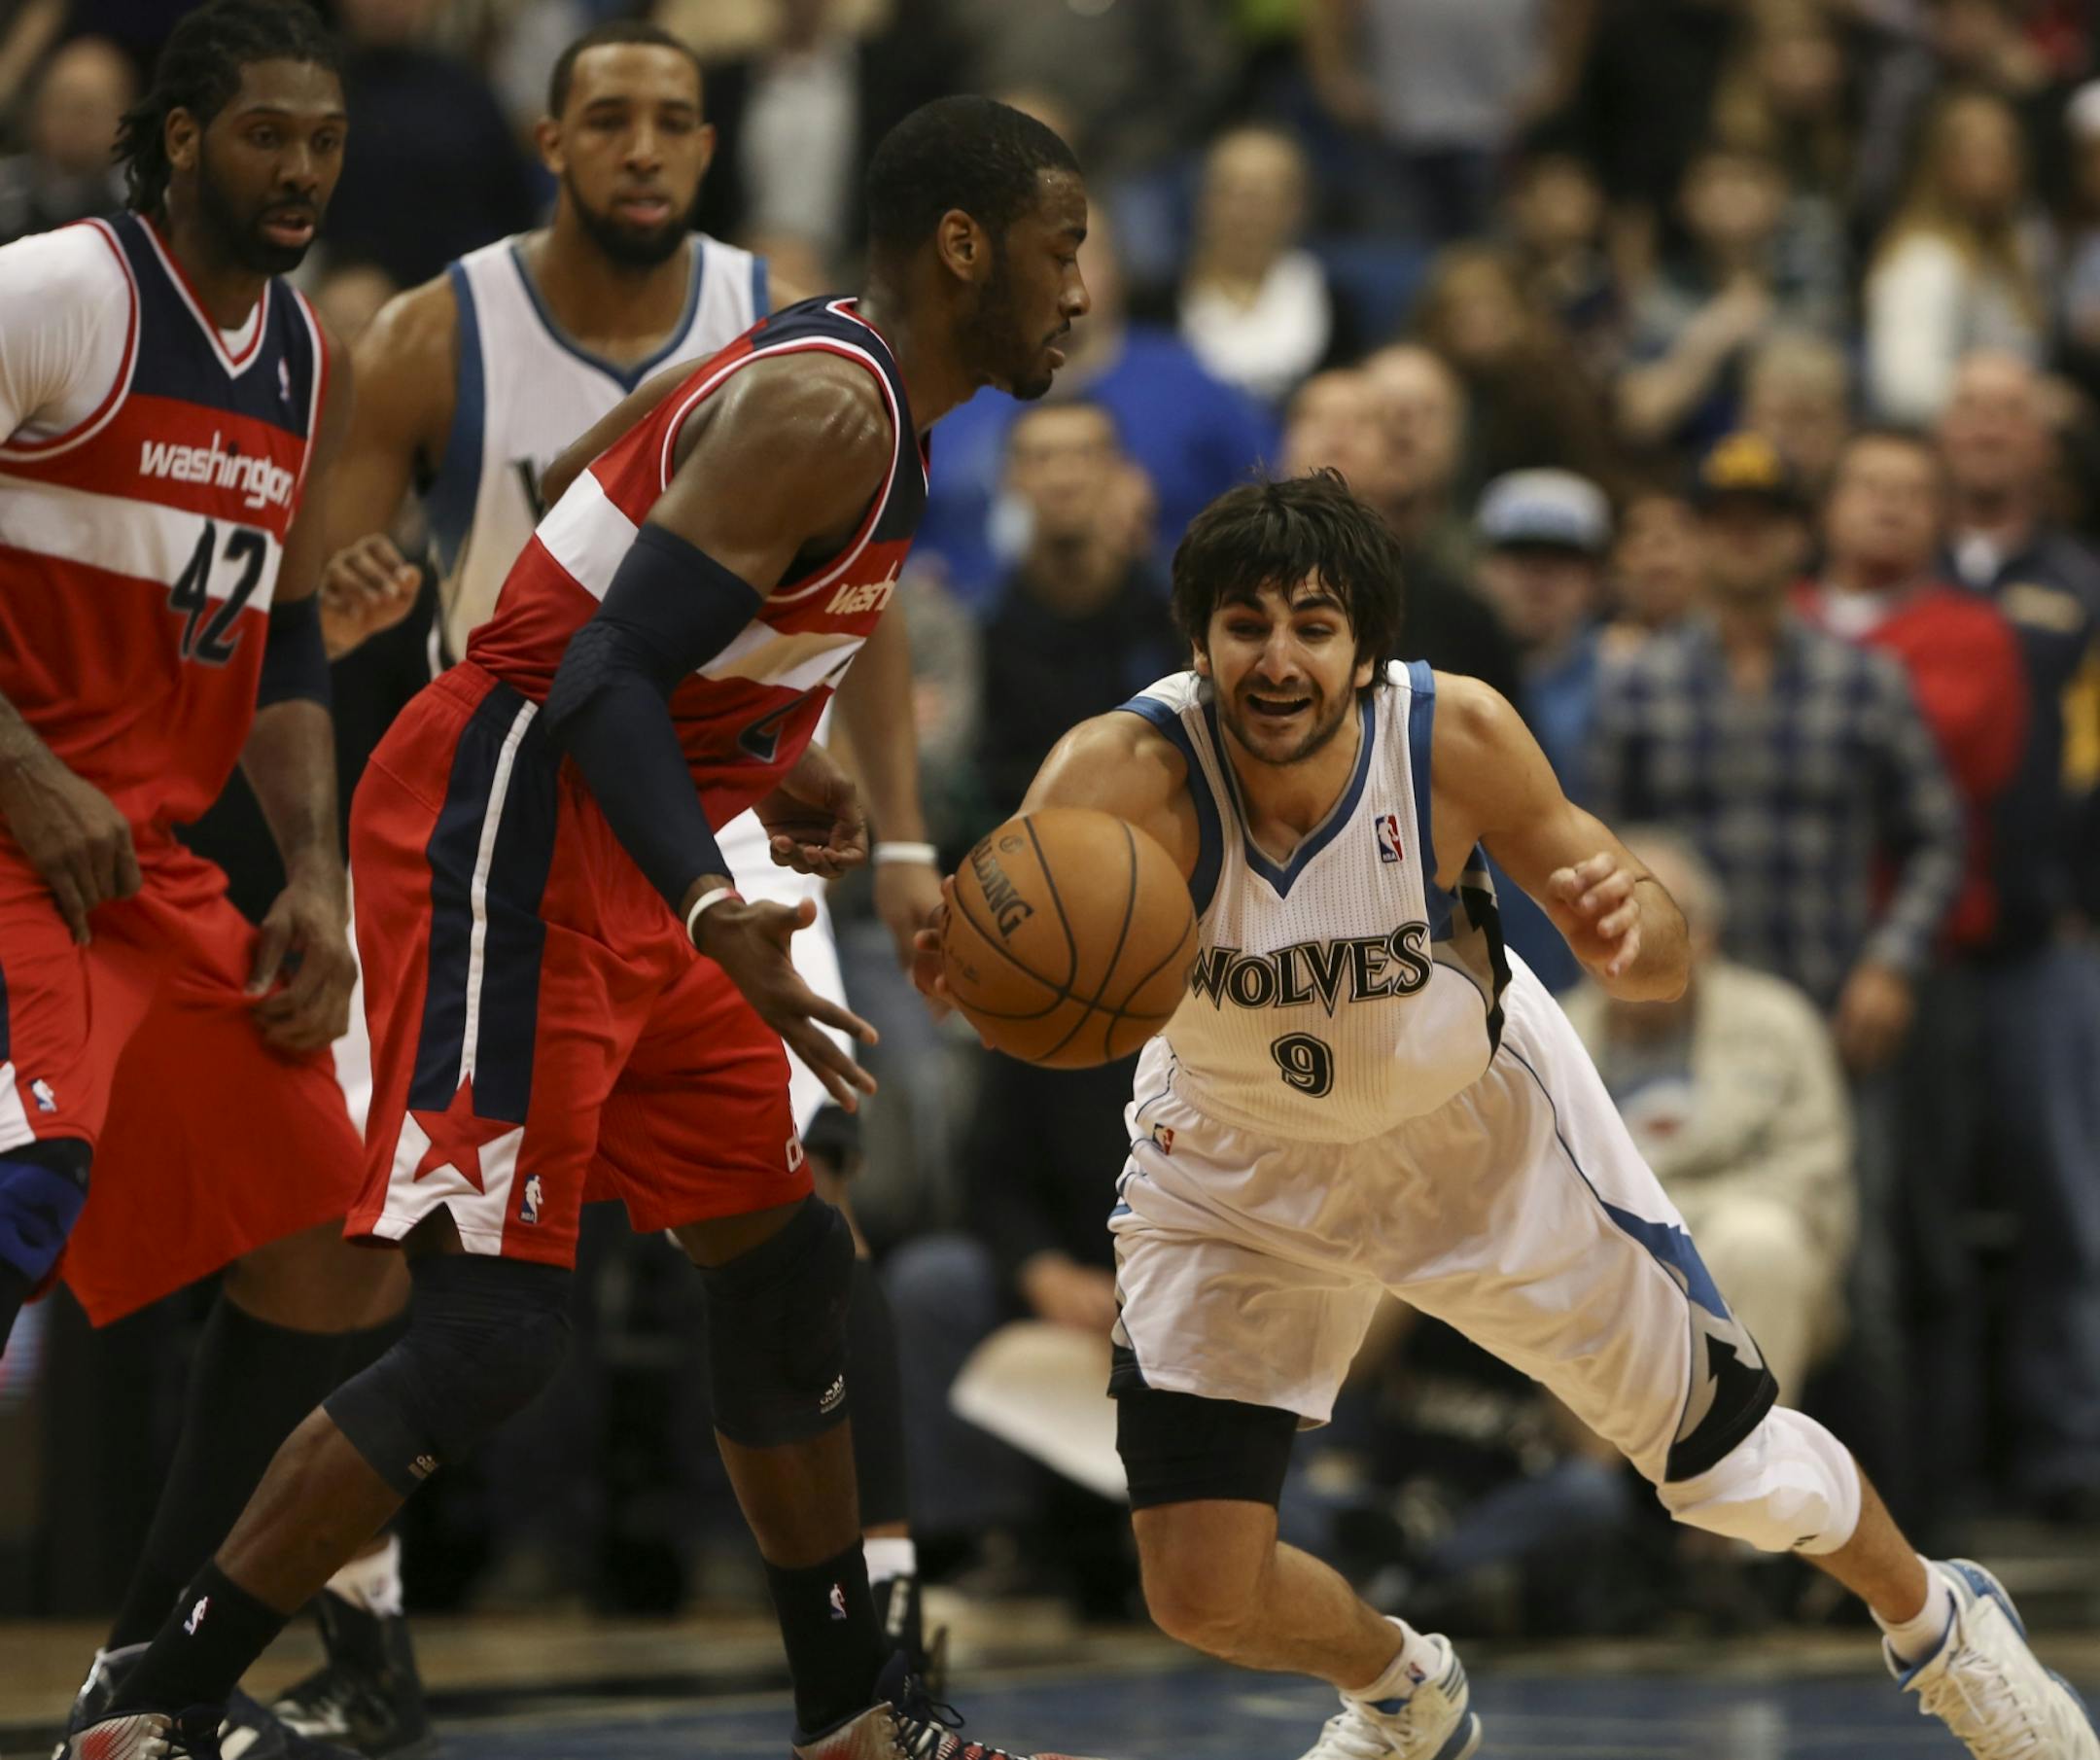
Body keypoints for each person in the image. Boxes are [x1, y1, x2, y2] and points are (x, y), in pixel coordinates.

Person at [69, 94, 1095, 1760]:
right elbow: (601, 665)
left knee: (784, 1266)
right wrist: (716, 891)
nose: (1081, 291)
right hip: (514, 823)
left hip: (627, 830)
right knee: (491, 1330)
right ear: (965, 246)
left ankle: (852, 1717)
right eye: (1062, 251)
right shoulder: (828, 404)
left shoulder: (860, 390)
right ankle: (153, 1703)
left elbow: (595, 516)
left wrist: (771, 736)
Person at [919, 470, 2098, 1760]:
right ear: (1198, 644)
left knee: (1733, 1475)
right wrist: (964, 972)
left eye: (1314, 626)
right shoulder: (1114, 773)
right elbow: (1006, 966)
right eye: (1245, 625)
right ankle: (1402, 1691)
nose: (1278, 658)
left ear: (1367, 647)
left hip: (1475, 1141)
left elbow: (1656, 951)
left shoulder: (1453, 736)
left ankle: (1943, 1623)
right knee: (1200, 1588)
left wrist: (1633, 933)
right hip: (1233, 1163)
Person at [269, 16, 932, 1738]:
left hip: (701, 800)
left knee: (804, 1210)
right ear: (549, 142)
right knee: (406, 1256)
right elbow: (322, 601)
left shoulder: (778, 319)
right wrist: (369, 600)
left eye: (676, 119)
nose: (645, 146)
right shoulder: (437, 331)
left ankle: (882, 1625)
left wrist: (866, 800)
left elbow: (855, 605)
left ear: (711, 147)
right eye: (611, 117)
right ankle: (359, 1629)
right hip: (502, 803)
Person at [0, 5, 410, 1756]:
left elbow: (288, 634)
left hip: (145, 864)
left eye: (324, 140)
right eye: (265, 136)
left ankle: (144, 1680)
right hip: (13, 829)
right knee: (21, 1195)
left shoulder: (307, 357)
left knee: (336, 1235)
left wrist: (311, 877)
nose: (301, 169)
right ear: (180, 140)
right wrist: (24, 767)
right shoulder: (59, 292)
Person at [1937, 350, 2100, 1519]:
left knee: (2065, 1201)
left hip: (2047, 936)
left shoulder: (2082, 587)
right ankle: (1937, 1453)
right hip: (1921, 945)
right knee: (1923, 1207)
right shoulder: (1902, 578)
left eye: (2011, 413)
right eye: (1972, 412)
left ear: (2043, 442)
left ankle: (2069, 1448)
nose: (1991, 430)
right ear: (1944, 435)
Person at [1564, 828, 1857, 1403]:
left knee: (1762, 1242)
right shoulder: (1553, 1031)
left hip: (1730, 1253)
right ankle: (1587, 1455)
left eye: (1663, 920)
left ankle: (1739, 1454)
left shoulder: (1779, 1024)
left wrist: (1669, 1236)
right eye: (1617, 921)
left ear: (1706, 935)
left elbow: (1812, 1182)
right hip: (1595, 1260)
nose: (1638, 941)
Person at [0, 34, 132, 244]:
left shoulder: (144, 206)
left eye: (87, 110)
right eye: (60, 106)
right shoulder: (6, 192)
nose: (73, 124)